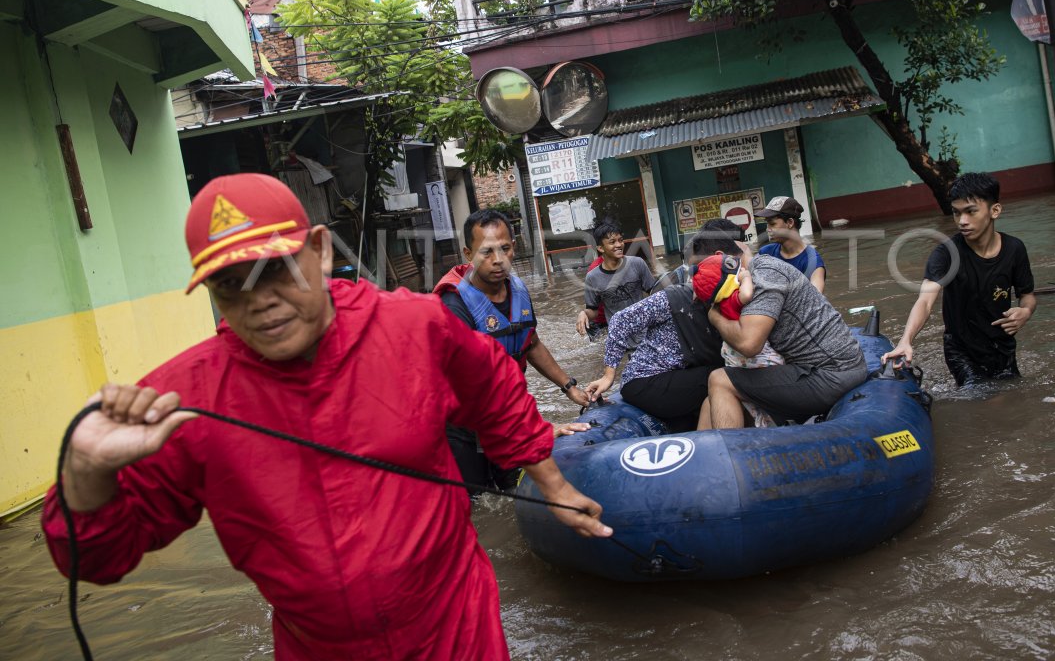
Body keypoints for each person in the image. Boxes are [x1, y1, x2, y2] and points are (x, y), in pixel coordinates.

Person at [42, 174, 610, 661]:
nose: (258, 300)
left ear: (318, 251)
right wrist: (86, 474)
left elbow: (494, 387)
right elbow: (98, 561)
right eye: (230, 285)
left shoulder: (412, 328)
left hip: (454, 630)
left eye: (275, 271)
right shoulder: (183, 399)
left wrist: (552, 485)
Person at [435, 209, 589, 490]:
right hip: (465, 425)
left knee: (513, 488)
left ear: (513, 248)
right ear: (468, 254)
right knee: (479, 500)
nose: (498, 260)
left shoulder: (516, 289)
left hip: (505, 415)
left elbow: (530, 342)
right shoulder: (454, 305)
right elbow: (471, 384)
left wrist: (569, 386)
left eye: (504, 249)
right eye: (486, 252)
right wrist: (534, 428)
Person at [690, 219, 867, 430]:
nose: (703, 277)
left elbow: (749, 344)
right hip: (814, 369)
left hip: (832, 373)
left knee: (719, 379)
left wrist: (714, 316)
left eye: (703, 269)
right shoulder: (748, 276)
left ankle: (731, 457)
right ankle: (701, 458)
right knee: (710, 402)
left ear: (721, 258)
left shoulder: (764, 275)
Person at [881, 172, 1037, 387]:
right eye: (956, 213)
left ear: (995, 210)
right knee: (982, 398)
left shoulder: (1015, 249)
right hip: (961, 350)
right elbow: (925, 301)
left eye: (971, 212)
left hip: (1002, 346)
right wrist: (905, 341)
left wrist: (1025, 312)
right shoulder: (946, 253)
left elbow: (1027, 296)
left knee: (1012, 395)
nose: (962, 221)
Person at [584, 276, 724, 434]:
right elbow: (620, 321)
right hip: (645, 380)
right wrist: (608, 375)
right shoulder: (674, 298)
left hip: (674, 377)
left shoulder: (727, 310)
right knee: (721, 378)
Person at [690, 252, 786, 427]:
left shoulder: (718, 304)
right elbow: (747, 295)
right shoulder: (733, 299)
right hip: (753, 358)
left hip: (733, 354)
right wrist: (746, 277)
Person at [574, 222, 657, 338]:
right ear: (600, 248)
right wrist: (583, 313)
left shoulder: (637, 263)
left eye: (621, 240)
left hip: (643, 330)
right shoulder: (592, 277)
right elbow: (593, 310)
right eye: (612, 242)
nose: (619, 245)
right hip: (618, 334)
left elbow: (654, 292)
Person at [754, 196, 826, 292]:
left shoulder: (813, 262)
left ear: (790, 223)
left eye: (772, 224)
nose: (767, 229)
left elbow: (816, 301)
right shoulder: (765, 253)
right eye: (767, 224)